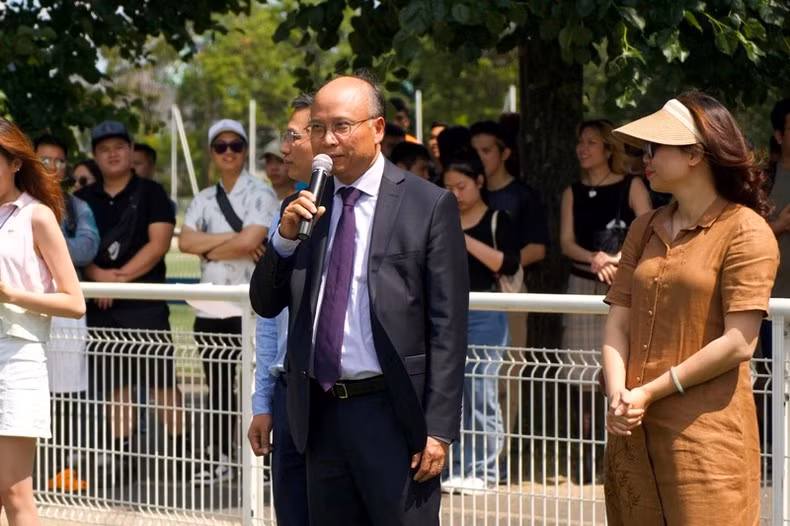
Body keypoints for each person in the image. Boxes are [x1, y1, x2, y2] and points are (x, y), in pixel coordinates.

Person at [250, 74, 469, 525]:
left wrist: (440, 429)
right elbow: (266, 303)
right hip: (320, 413)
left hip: (394, 414)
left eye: (342, 126)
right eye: (317, 127)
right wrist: (285, 241)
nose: (328, 140)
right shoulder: (307, 205)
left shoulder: (427, 205)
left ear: (379, 128)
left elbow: (448, 327)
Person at [601, 93, 778, 525]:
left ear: (696, 153)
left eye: (656, 147)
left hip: (706, 443)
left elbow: (739, 342)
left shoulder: (746, 231)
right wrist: (618, 392)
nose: (646, 158)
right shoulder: (644, 228)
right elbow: (616, 324)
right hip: (631, 432)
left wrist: (647, 392)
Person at [75, 120, 185, 481]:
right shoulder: (83, 200)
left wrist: (118, 280)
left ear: (130, 150)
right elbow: (70, 246)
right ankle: (125, 457)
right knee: (115, 385)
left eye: (119, 146)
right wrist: (98, 278)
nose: (113, 153)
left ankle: (182, 453)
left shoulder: (151, 192)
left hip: (144, 302)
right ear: (95, 156)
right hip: (100, 304)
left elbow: (158, 244)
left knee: (162, 383)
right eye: (104, 149)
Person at [178, 119, 277, 484]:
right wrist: (235, 241)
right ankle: (220, 457)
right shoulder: (203, 197)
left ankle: (263, 462)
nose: (229, 152)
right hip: (210, 304)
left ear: (246, 149)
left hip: (250, 305)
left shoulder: (261, 193)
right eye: (221, 146)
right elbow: (185, 243)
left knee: (257, 385)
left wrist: (213, 246)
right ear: (212, 152)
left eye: (236, 145)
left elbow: (252, 240)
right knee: (216, 386)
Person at [0, 117, 86, 524]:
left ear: (16, 162)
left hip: (16, 360)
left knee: (16, 493)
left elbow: (74, 301)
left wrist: (11, 294)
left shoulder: (37, 217)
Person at [559, 119, 652, 483]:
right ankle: (586, 462)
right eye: (580, 141)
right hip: (581, 283)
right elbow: (566, 242)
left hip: (625, 289)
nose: (583, 148)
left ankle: (622, 452)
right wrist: (594, 258)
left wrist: (615, 260)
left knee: (622, 371)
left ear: (608, 148)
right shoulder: (572, 191)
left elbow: (648, 226)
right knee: (581, 376)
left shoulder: (632, 185)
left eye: (592, 142)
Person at [469, 120, 550, 479]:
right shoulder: (463, 193)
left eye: (487, 150)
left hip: (508, 291)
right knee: (472, 378)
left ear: (505, 153)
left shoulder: (522, 196)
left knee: (505, 377)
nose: (481, 157)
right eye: (475, 151)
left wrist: (503, 258)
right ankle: (471, 457)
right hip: (468, 297)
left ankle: (499, 457)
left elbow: (538, 248)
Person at [247, 93, 313, 526]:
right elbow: (270, 316)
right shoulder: (286, 214)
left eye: (293, 136)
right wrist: (262, 401)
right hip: (288, 393)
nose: (284, 148)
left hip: (341, 399)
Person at [441, 148, 520, 494]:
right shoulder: (439, 218)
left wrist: (461, 238)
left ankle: (486, 469)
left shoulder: (498, 219)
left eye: (462, 186)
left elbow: (508, 264)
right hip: (446, 312)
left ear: (479, 182)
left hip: (486, 314)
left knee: (481, 390)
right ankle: (456, 467)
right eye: (449, 188)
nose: (456, 195)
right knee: (449, 392)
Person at [34, 134, 100, 491]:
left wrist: (43, 243)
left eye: (60, 161)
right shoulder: (17, 203)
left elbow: (87, 247)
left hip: (64, 311)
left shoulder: (77, 207)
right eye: (46, 160)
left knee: (67, 395)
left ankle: (59, 467)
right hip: (25, 307)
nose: (53, 168)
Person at [759, 97, 790, 456]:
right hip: (768, 299)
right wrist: (778, 226)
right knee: (769, 377)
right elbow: (740, 226)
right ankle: (769, 449)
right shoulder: (763, 179)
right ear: (779, 135)